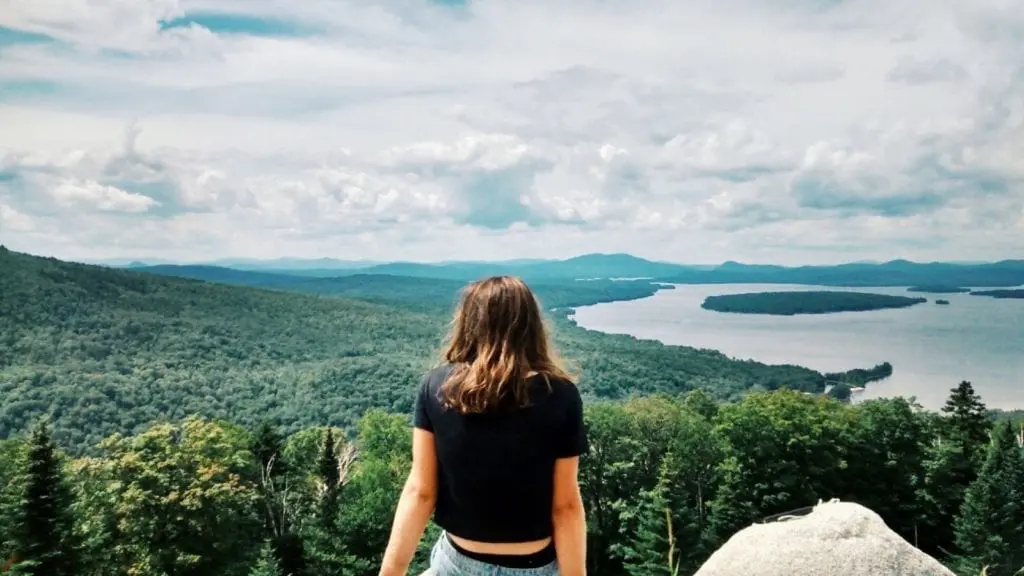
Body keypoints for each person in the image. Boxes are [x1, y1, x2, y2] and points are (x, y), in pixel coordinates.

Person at [378, 276, 589, 576]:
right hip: (534, 568)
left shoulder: (436, 388)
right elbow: (565, 506)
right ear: (530, 326)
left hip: (455, 564)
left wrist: (390, 571)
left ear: (469, 323)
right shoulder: (560, 396)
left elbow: (421, 492)